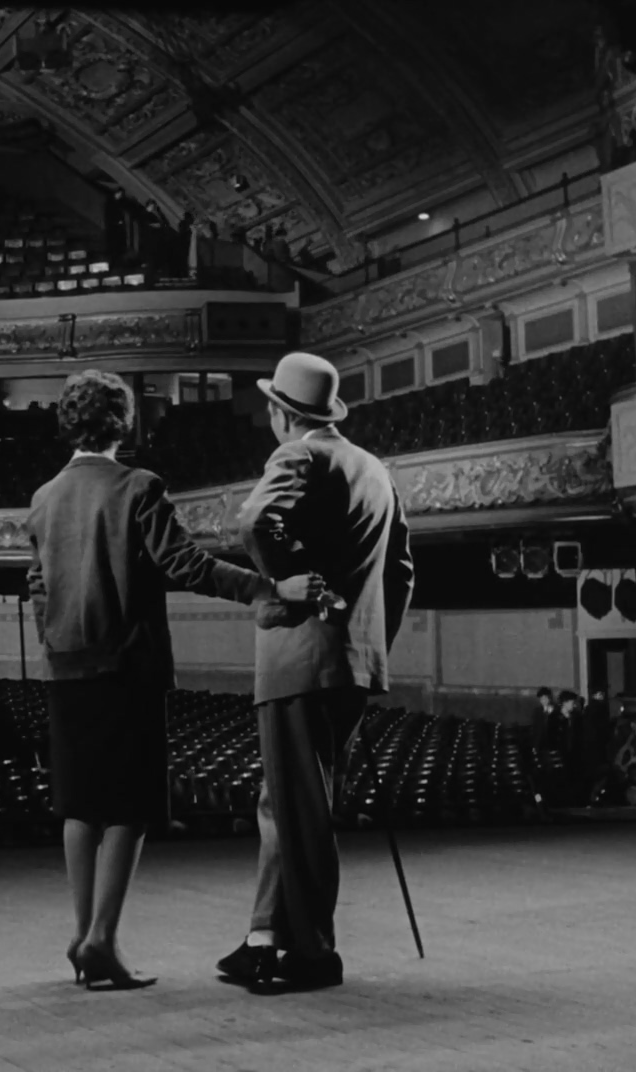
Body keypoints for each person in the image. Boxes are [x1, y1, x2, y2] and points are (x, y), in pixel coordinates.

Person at [27, 369, 323, 992]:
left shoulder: (45, 496)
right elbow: (183, 564)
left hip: (66, 669)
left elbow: (36, 584)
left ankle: (82, 936)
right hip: (127, 669)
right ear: (123, 423)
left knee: (80, 805)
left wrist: (52, 638)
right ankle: (103, 939)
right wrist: (261, 589)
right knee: (130, 807)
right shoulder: (138, 485)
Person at [216, 350, 414, 992]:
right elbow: (403, 574)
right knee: (287, 804)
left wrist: (286, 581)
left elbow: (253, 521)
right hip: (353, 663)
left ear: (280, 412)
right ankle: (264, 936)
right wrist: (365, 644)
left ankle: (313, 952)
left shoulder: (298, 455)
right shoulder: (375, 470)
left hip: (300, 660)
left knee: (299, 814)